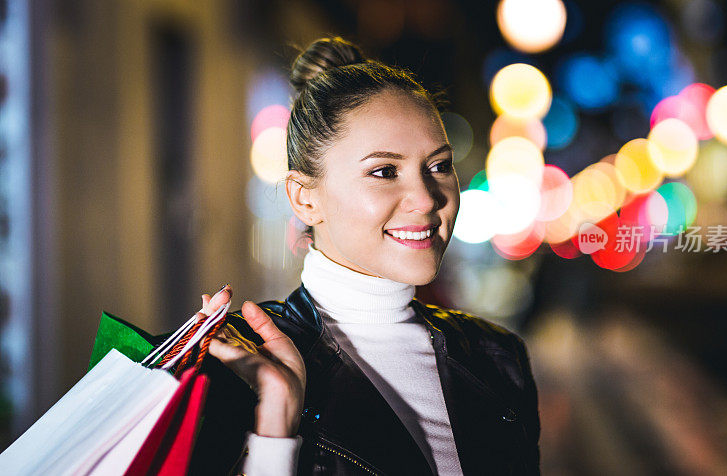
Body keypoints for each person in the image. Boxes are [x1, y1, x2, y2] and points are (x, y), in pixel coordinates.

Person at [200, 36, 541, 475]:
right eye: (384, 172)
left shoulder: (498, 359)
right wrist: (274, 436)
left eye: (438, 166)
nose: (426, 198)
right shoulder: (236, 363)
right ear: (304, 199)